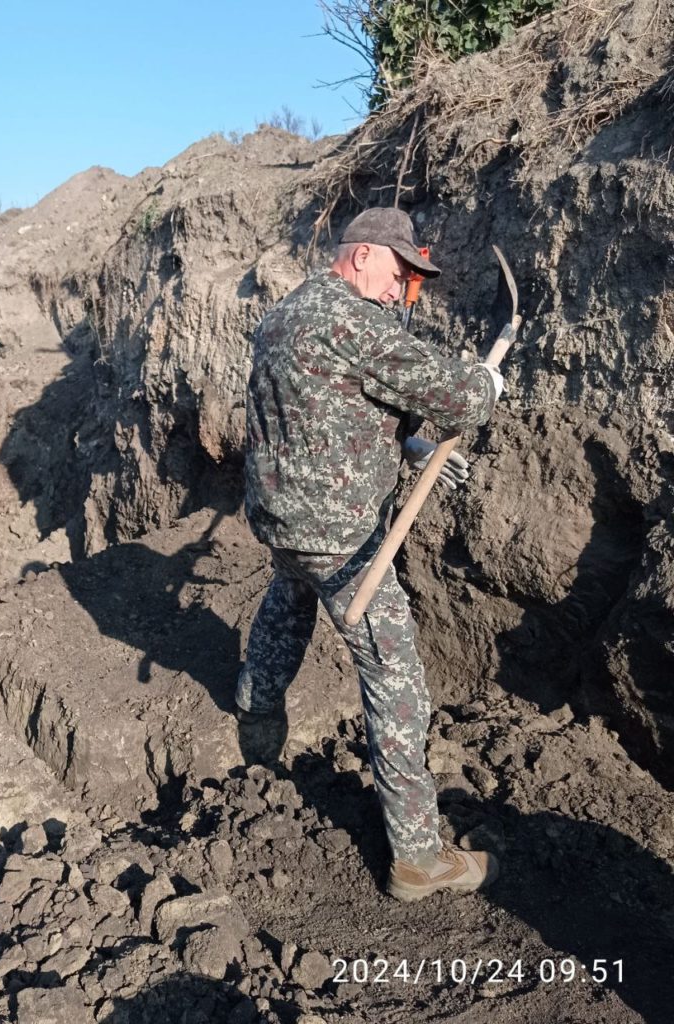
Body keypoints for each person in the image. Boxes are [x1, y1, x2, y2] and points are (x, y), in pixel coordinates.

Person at [236, 207, 506, 902]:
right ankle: (418, 858)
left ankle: (255, 712)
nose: (399, 292)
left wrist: (409, 446)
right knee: (396, 678)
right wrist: (486, 388)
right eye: (398, 273)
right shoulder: (349, 319)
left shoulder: (287, 315)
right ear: (361, 258)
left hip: (282, 518)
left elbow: (326, 407)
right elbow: (456, 395)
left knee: (287, 599)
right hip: (341, 537)